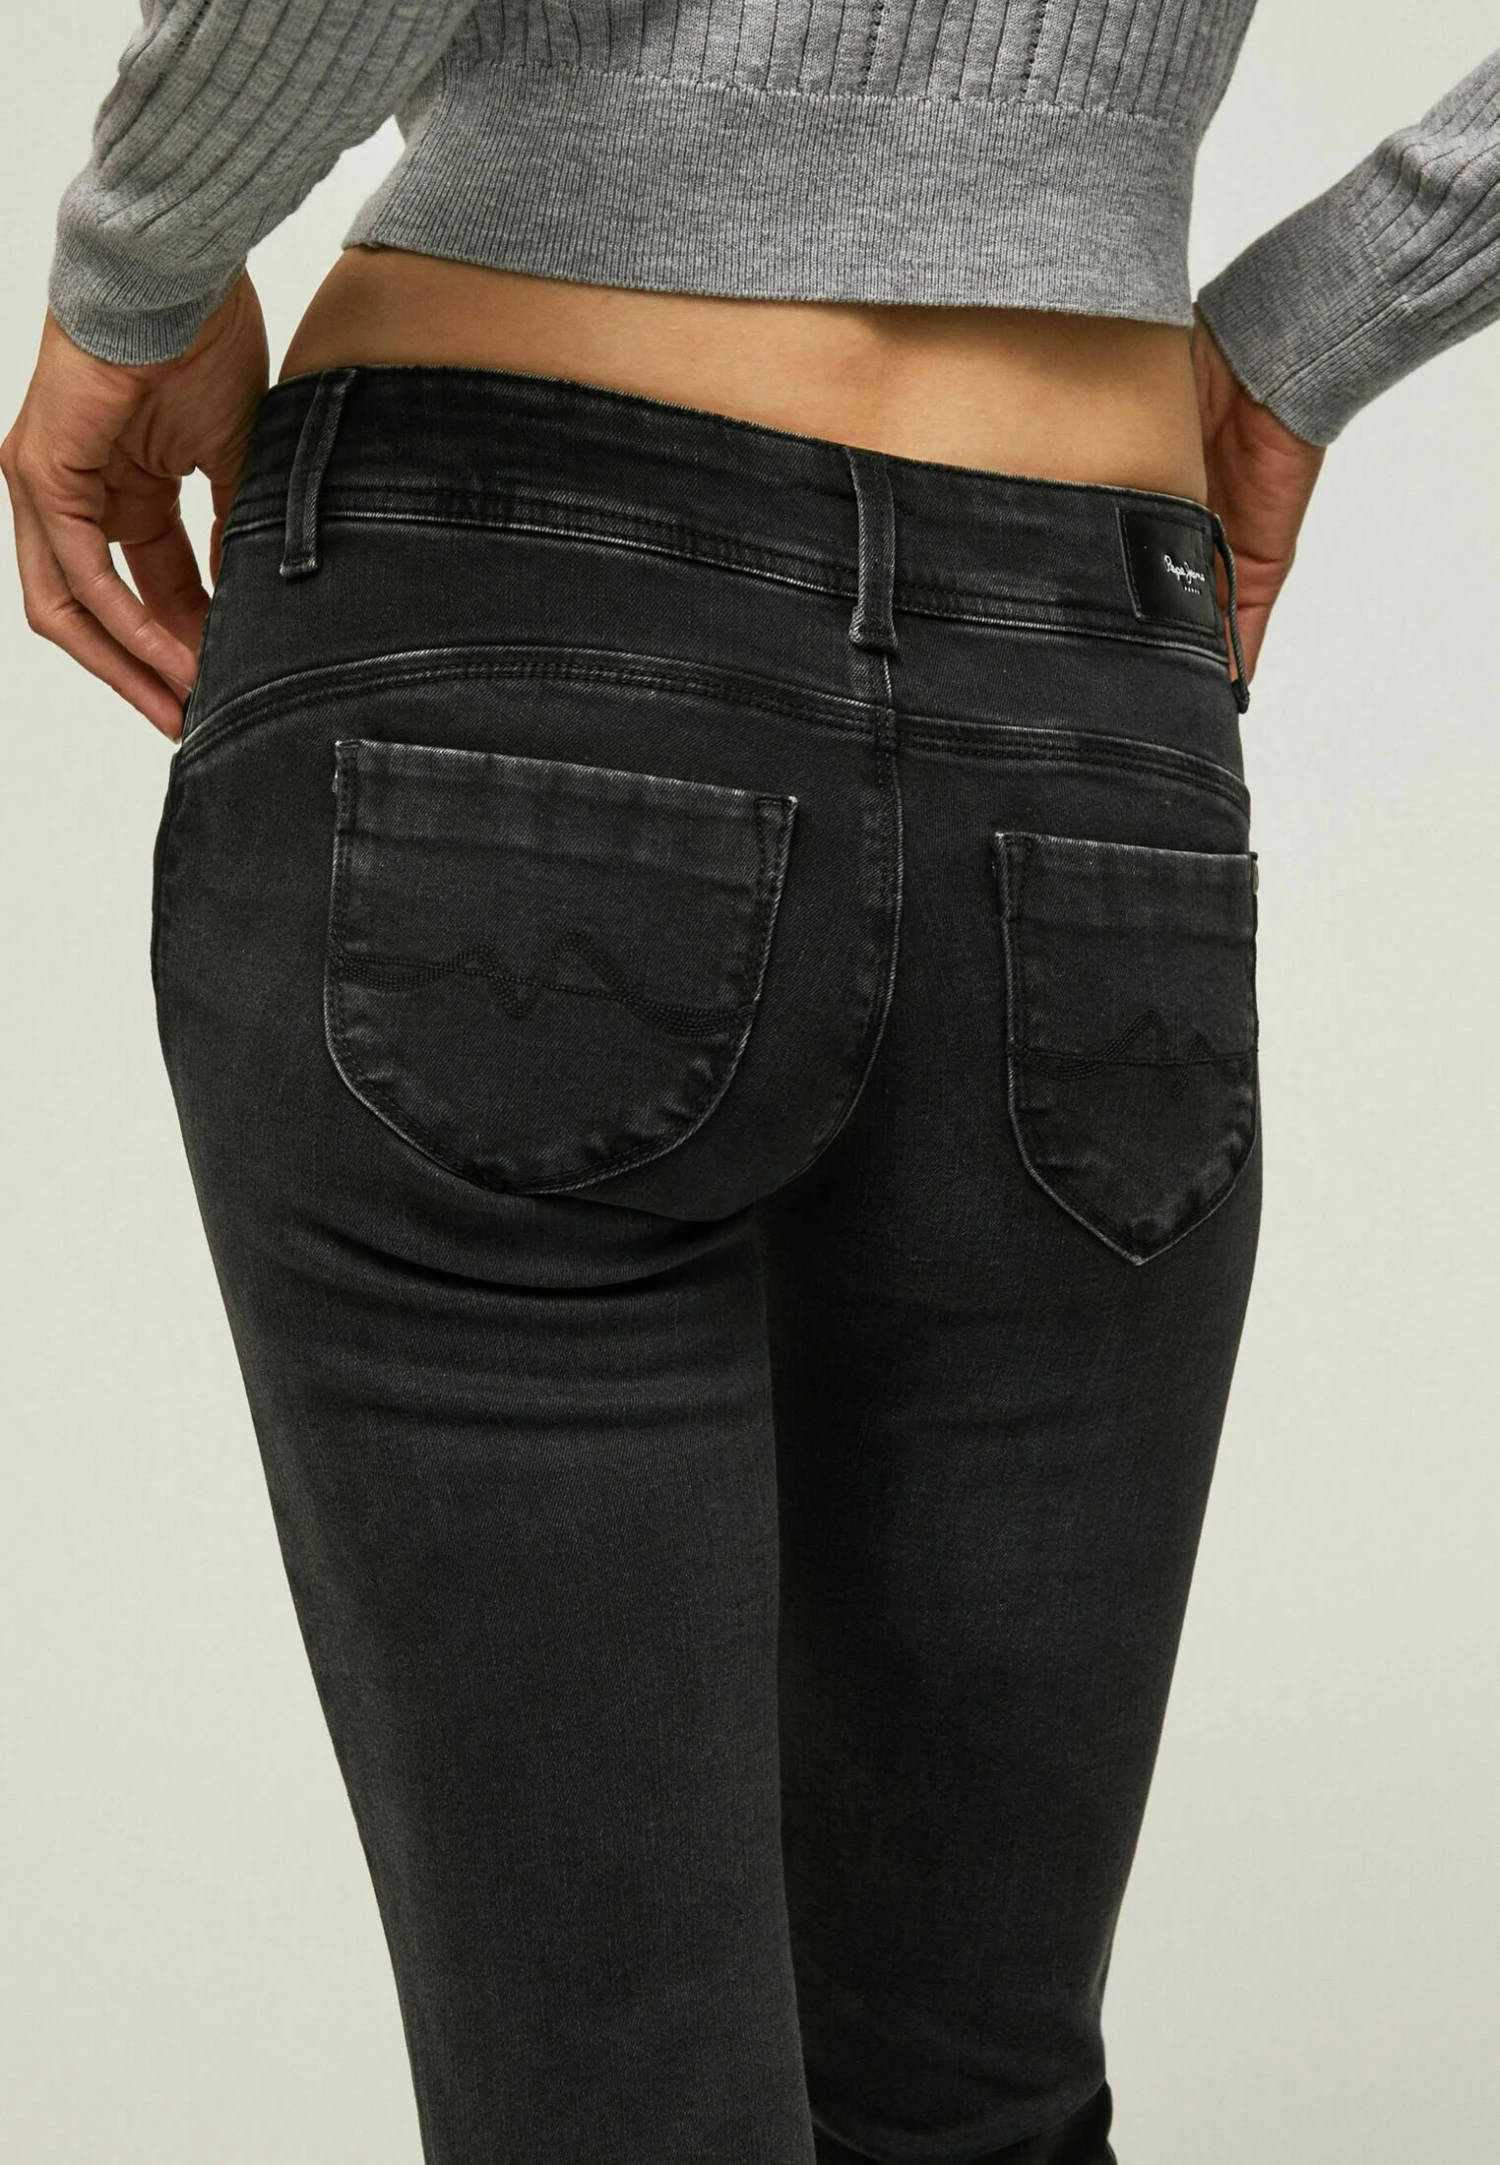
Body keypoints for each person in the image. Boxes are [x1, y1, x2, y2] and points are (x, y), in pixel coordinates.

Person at [4, 7, 1497, 2162]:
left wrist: (137, 264)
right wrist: (1305, 335)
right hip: (1085, 655)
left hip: (516, 597)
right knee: (970, 2102)